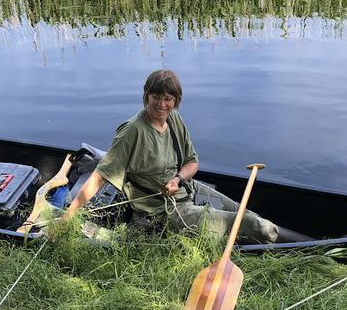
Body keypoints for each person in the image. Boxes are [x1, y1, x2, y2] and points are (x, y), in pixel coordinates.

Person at [61, 69, 311, 244]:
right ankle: (325, 249)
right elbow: (101, 176)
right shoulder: (133, 131)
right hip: (164, 211)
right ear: (146, 95)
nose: (161, 104)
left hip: (186, 190)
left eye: (168, 98)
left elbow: (193, 163)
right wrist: (69, 215)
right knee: (256, 226)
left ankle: (310, 243)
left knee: (245, 212)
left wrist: (178, 179)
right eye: (156, 97)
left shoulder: (174, 119)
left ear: (175, 100)